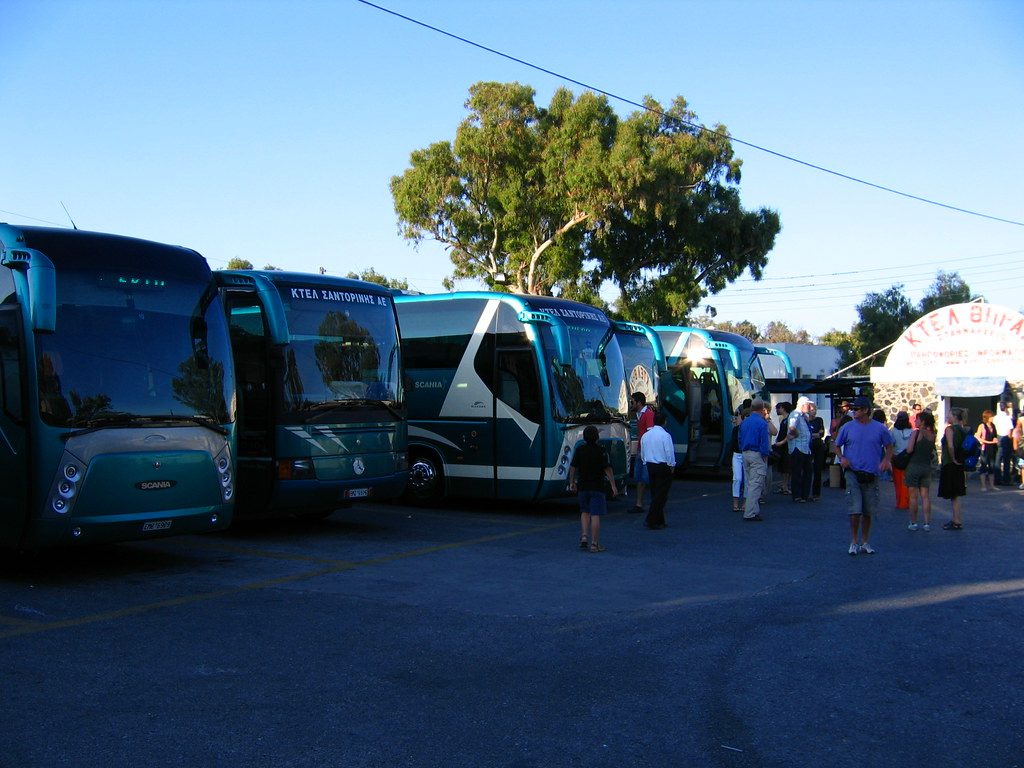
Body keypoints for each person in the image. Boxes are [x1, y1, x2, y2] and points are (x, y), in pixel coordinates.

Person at [833, 396, 893, 555]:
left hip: (871, 474)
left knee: (868, 511)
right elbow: (837, 445)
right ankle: (853, 541)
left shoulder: (880, 428)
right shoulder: (847, 427)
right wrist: (842, 458)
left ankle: (865, 541)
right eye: (853, 409)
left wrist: (886, 460)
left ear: (866, 410)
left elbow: (889, 445)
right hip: (853, 472)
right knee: (855, 509)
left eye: (857, 409)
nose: (854, 411)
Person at [568, 425, 619, 552]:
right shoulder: (601, 450)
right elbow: (607, 468)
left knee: (585, 512)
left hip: (583, 486)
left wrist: (572, 482)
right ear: (597, 437)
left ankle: (584, 537)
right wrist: (613, 485)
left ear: (584, 437)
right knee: (595, 514)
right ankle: (595, 544)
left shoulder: (580, 449)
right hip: (597, 486)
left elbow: (573, 467)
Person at [739, 398, 772, 522]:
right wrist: (765, 455)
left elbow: (740, 437)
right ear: (762, 409)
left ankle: (754, 510)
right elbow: (764, 442)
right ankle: (750, 512)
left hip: (745, 453)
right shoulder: (762, 423)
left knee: (749, 482)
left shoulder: (745, 422)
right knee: (756, 484)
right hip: (757, 454)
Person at [640, 411, 675, 529]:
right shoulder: (665, 436)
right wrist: (672, 465)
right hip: (662, 466)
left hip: (650, 465)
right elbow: (669, 452)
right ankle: (652, 519)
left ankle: (660, 520)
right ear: (664, 422)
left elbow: (643, 452)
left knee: (655, 492)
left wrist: (645, 461)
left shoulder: (646, 435)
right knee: (661, 495)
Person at [904, 410, 937, 531]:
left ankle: (913, 522)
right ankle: (927, 523)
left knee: (913, 497)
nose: (915, 421)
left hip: (914, 465)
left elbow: (909, 450)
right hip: (926, 466)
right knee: (926, 496)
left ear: (922, 421)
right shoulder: (932, 434)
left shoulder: (916, 433)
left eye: (917, 419)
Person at [938, 408, 968, 530]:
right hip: (960, 463)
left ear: (955, 416)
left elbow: (950, 445)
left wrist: (953, 458)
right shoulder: (963, 430)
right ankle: (957, 519)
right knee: (955, 494)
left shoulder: (949, 429)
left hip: (951, 463)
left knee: (953, 494)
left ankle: (956, 520)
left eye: (949, 415)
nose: (947, 417)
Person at [629, 391, 655, 513]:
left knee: (644, 478)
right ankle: (639, 503)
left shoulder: (647, 414)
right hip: (641, 450)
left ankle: (643, 503)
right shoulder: (640, 414)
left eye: (632, 401)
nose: (631, 403)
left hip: (645, 452)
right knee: (639, 478)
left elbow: (650, 433)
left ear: (639, 402)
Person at [788, 397, 813, 503]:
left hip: (805, 448)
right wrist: (797, 434)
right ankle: (797, 495)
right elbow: (792, 428)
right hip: (798, 448)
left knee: (807, 472)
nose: (810, 407)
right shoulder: (795, 414)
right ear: (803, 405)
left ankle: (804, 494)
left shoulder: (803, 416)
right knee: (797, 472)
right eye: (808, 405)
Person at [889, 410, 914, 511]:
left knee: (898, 482)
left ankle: (900, 502)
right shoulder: (911, 431)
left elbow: (891, 445)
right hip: (908, 458)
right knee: (907, 482)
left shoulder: (893, 431)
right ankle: (906, 501)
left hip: (896, 458)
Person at [974, 410, 999, 492]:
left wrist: (995, 439)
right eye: (991, 417)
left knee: (992, 467)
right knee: (983, 466)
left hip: (993, 448)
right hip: (985, 448)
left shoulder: (993, 426)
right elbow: (977, 436)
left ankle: (992, 485)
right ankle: (983, 486)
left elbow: (994, 436)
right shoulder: (982, 426)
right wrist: (988, 442)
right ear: (987, 417)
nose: (993, 418)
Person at [807, 401, 826, 500]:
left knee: (818, 469)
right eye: (811, 410)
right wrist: (815, 434)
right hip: (808, 446)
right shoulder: (805, 421)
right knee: (807, 469)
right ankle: (806, 492)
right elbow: (806, 434)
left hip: (818, 446)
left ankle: (816, 493)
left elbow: (821, 433)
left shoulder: (819, 420)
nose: (813, 412)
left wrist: (814, 434)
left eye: (815, 410)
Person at [731, 407, 748, 511]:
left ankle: (745, 502)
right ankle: (736, 503)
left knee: (746, 479)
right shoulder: (736, 429)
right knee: (737, 478)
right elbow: (732, 444)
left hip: (745, 454)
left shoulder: (737, 429)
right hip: (737, 454)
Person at [994, 401, 1015, 486]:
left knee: (998, 459)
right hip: (1006, 438)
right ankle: (1006, 480)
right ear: (1006, 408)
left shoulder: (995, 418)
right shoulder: (1008, 418)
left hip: (998, 437)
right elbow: (1010, 432)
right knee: (1006, 460)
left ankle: (997, 479)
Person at [773, 401, 792, 494]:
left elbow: (789, 434)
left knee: (786, 467)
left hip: (786, 447)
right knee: (782, 467)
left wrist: (781, 442)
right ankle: (784, 485)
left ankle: (785, 486)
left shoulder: (788, 420)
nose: (776, 410)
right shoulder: (784, 420)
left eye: (778, 408)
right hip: (782, 446)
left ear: (783, 408)